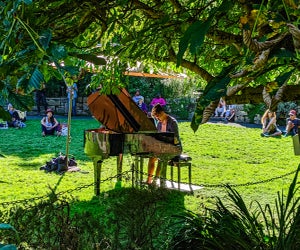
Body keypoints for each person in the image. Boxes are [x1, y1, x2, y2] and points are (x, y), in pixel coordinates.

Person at [146, 104, 182, 184]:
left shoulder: (172, 122)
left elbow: (176, 138)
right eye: (156, 117)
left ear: (162, 113)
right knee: (152, 158)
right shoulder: (159, 123)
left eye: (158, 116)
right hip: (162, 148)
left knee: (161, 158)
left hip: (175, 148)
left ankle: (157, 180)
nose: (158, 119)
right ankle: (149, 180)